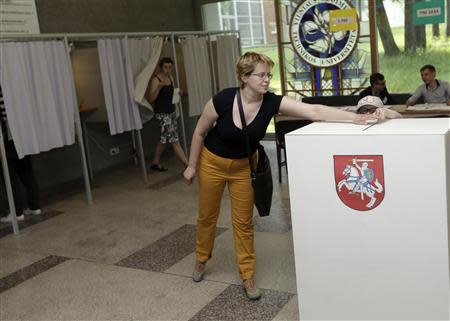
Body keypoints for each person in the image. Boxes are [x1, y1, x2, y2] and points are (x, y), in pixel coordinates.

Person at [182, 52, 385, 300]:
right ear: (245, 77)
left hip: (244, 167)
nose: (267, 80)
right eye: (261, 75)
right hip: (212, 163)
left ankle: (247, 274)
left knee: (244, 223)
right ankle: (201, 259)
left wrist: (356, 118)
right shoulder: (223, 100)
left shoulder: (271, 102)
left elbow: (313, 110)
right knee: (207, 216)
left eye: (269, 75)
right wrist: (192, 165)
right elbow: (200, 133)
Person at [0, 85, 41, 223]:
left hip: (8, 136)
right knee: (26, 171)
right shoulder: (13, 83)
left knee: (9, 174)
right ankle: (34, 206)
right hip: (23, 133)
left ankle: (17, 212)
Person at [147, 57, 188, 171]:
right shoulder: (156, 80)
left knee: (164, 139)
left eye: (170, 67)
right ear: (161, 67)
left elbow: (171, 95)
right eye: (165, 67)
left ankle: (155, 162)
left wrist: (179, 92)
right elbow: (151, 98)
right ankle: (187, 165)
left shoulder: (170, 77)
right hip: (162, 114)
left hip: (171, 112)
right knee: (174, 140)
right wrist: (159, 88)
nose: (168, 70)